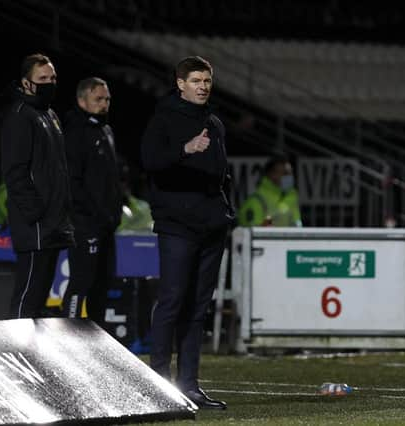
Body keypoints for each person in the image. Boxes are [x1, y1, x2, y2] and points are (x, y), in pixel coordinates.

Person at [141, 56, 234, 410]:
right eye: (196, 80)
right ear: (180, 83)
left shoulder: (214, 122)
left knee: (197, 307)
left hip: (212, 225)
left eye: (207, 80)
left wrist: (226, 210)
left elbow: (222, 173)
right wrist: (185, 150)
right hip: (178, 225)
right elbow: (150, 161)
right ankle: (159, 384)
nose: (203, 86)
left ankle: (189, 386)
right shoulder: (163, 118)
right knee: (172, 301)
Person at [0, 53, 74, 319]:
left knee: (39, 300)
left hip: (52, 223)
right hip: (36, 226)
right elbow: (15, 172)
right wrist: (37, 214)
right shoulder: (20, 116)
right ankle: (13, 355)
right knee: (27, 297)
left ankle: (29, 357)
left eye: (53, 77)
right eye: (43, 78)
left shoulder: (49, 114)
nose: (50, 82)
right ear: (26, 83)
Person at [61, 76, 123, 320]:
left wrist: (114, 212)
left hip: (106, 224)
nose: (105, 103)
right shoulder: (74, 133)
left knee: (102, 285)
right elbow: (73, 183)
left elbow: (110, 181)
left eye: (107, 99)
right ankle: (67, 338)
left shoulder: (105, 130)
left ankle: (98, 345)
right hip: (85, 224)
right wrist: (95, 214)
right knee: (81, 283)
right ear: (82, 101)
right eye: (98, 99)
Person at [237, 155, 302, 227]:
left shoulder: (292, 197)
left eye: (291, 173)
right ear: (272, 174)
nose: (290, 177)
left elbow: (297, 227)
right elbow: (251, 234)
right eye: (285, 173)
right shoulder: (256, 201)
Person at [117, 160, 153, 232]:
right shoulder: (103, 210)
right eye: (121, 180)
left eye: (124, 180)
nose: (122, 185)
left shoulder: (144, 207)